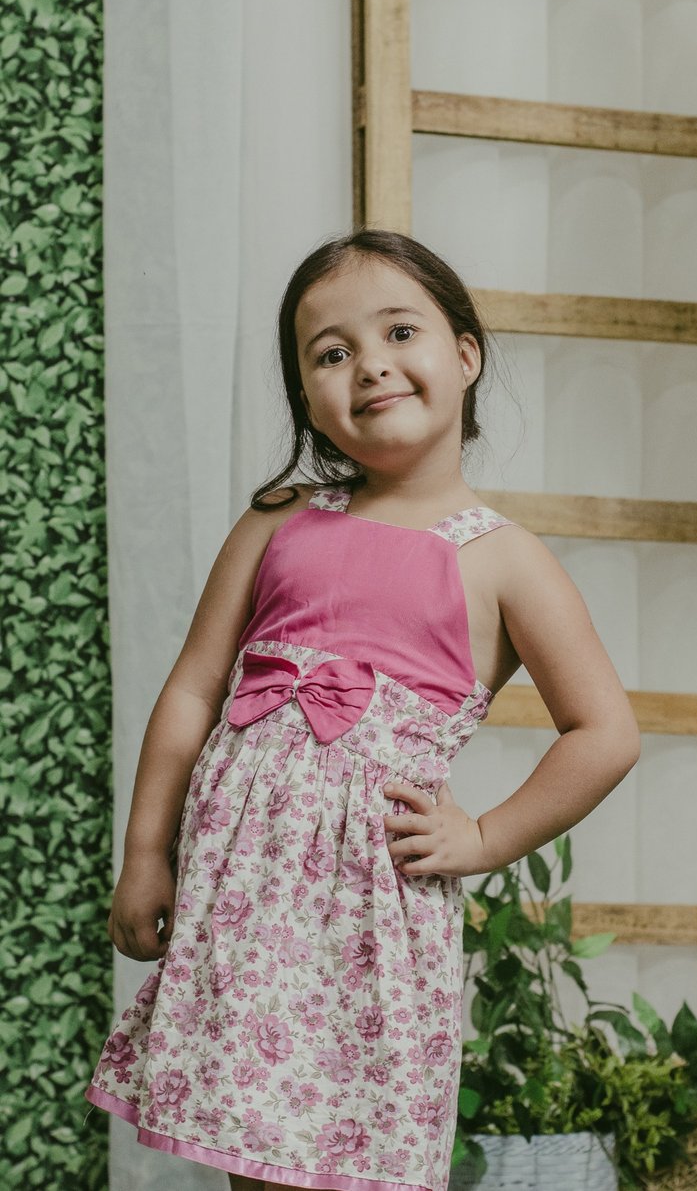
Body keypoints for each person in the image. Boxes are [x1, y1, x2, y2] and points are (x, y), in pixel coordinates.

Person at [85, 228, 640, 1191]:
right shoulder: (278, 518)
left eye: (399, 332)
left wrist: (485, 836)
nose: (371, 364)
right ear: (307, 396)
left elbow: (606, 732)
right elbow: (192, 689)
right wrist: (145, 852)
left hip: (367, 913)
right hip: (244, 902)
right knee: (253, 1149)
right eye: (332, 352)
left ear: (465, 355)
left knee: (348, 1156)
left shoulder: (505, 559)